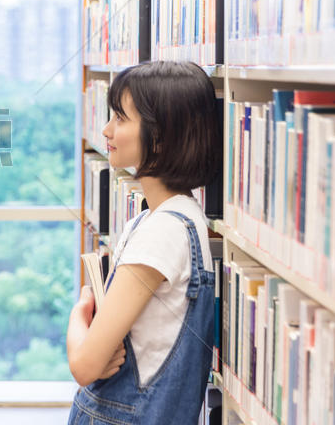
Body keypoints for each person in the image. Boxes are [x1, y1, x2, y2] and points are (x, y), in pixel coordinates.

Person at [66, 61, 220, 425]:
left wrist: (78, 315)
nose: (106, 129)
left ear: (160, 135)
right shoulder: (164, 218)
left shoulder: (161, 233)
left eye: (120, 118)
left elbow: (85, 365)